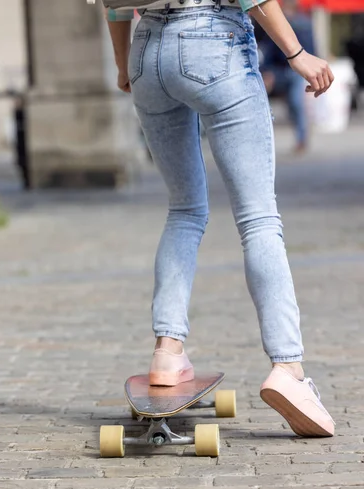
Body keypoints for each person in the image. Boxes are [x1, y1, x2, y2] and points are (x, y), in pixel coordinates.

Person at [103, 0, 335, 437]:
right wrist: (296, 53)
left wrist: (122, 64)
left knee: (184, 210)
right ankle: (289, 368)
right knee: (259, 219)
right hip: (212, 40)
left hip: (146, 51)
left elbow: (113, 6)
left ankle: (167, 352)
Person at [259, 0, 316, 153]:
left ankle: (301, 138)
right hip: (283, 71)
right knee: (295, 105)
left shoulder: (300, 24)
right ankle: (300, 138)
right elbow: (269, 52)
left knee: (296, 104)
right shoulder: (304, 23)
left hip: (291, 71)